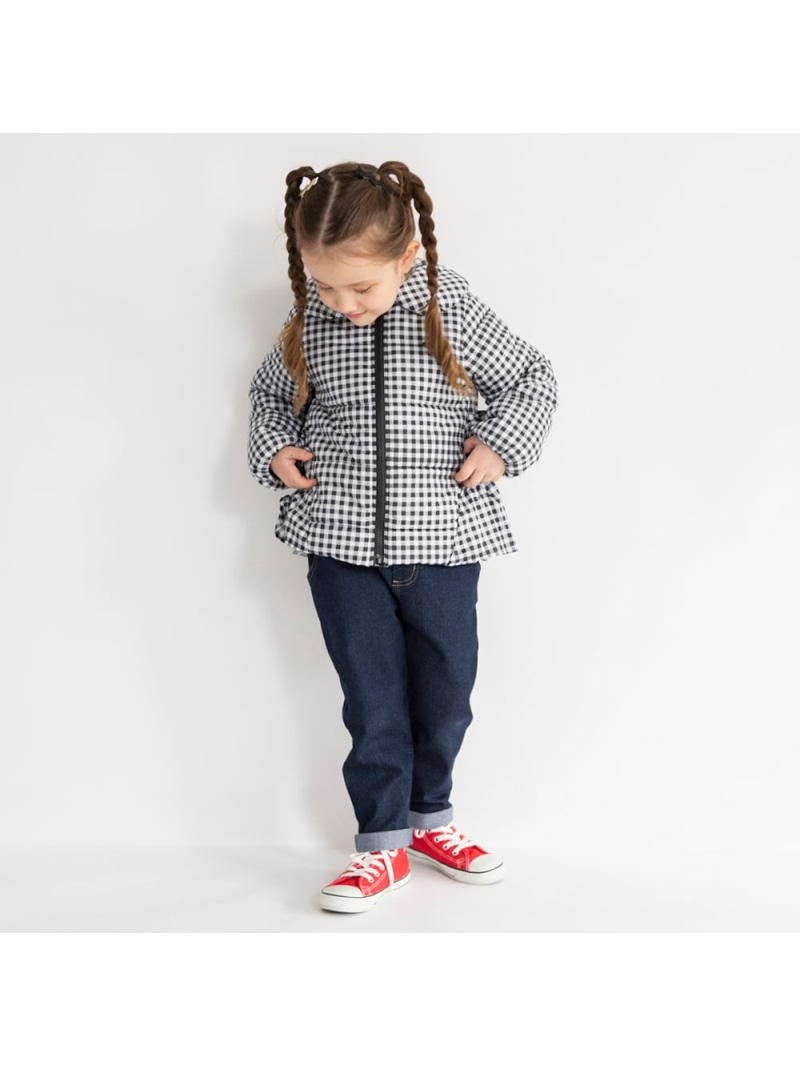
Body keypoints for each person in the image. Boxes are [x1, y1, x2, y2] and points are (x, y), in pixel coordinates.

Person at [248, 160, 557, 913]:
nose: (342, 303)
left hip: (443, 542)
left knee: (447, 696)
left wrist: (501, 445)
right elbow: (269, 396)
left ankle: (431, 821)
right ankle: (381, 844)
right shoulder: (310, 322)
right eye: (325, 286)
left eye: (360, 287)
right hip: (341, 546)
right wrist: (276, 448)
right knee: (372, 701)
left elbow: (533, 378)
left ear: (407, 257)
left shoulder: (450, 311)